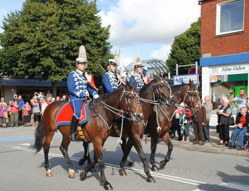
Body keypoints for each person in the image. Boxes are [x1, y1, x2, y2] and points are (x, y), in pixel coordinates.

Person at [67, 45, 99, 141]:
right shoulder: (72, 74)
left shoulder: (86, 76)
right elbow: (70, 88)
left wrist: (95, 95)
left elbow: (90, 88)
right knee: (77, 112)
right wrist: (81, 94)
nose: (83, 65)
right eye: (81, 64)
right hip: (76, 98)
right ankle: (72, 133)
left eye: (84, 64)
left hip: (86, 98)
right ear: (77, 65)